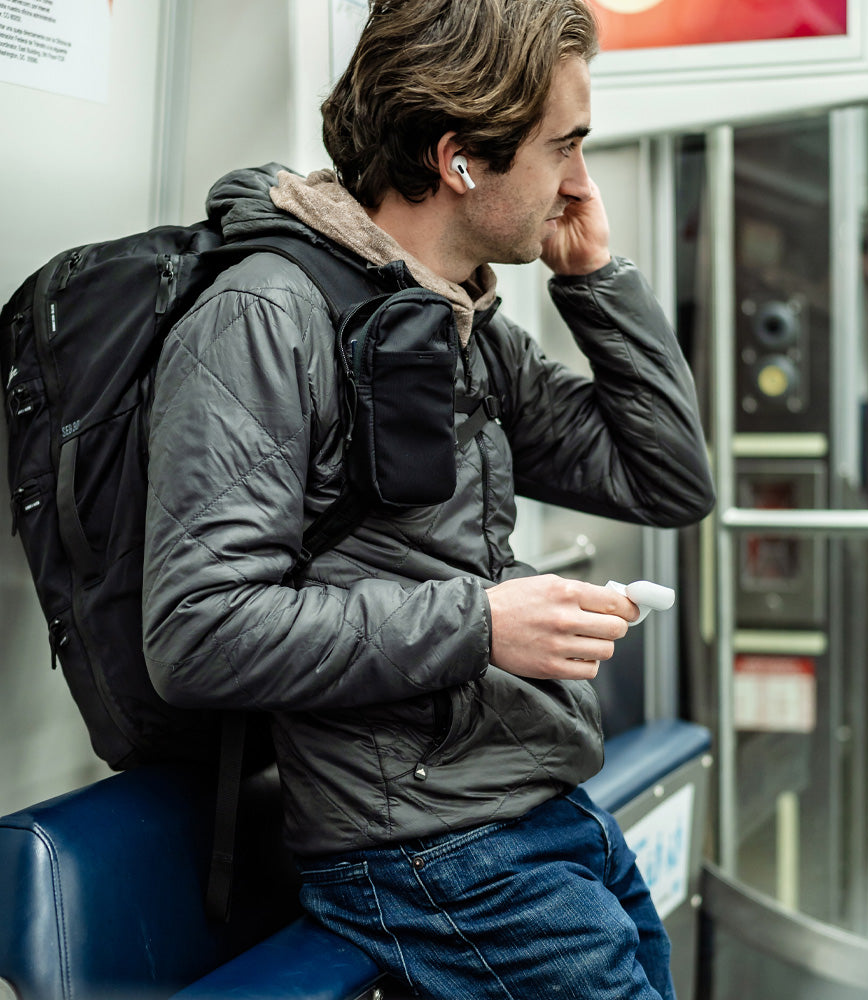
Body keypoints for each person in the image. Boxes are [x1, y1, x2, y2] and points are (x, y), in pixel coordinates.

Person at [141, 0, 714, 997]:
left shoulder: (466, 329)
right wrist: (481, 624)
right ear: (460, 160)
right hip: (426, 847)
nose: (579, 181)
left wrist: (597, 282)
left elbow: (663, 477)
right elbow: (196, 628)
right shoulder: (265, 316)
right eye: (563, 147)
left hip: (536, 804)